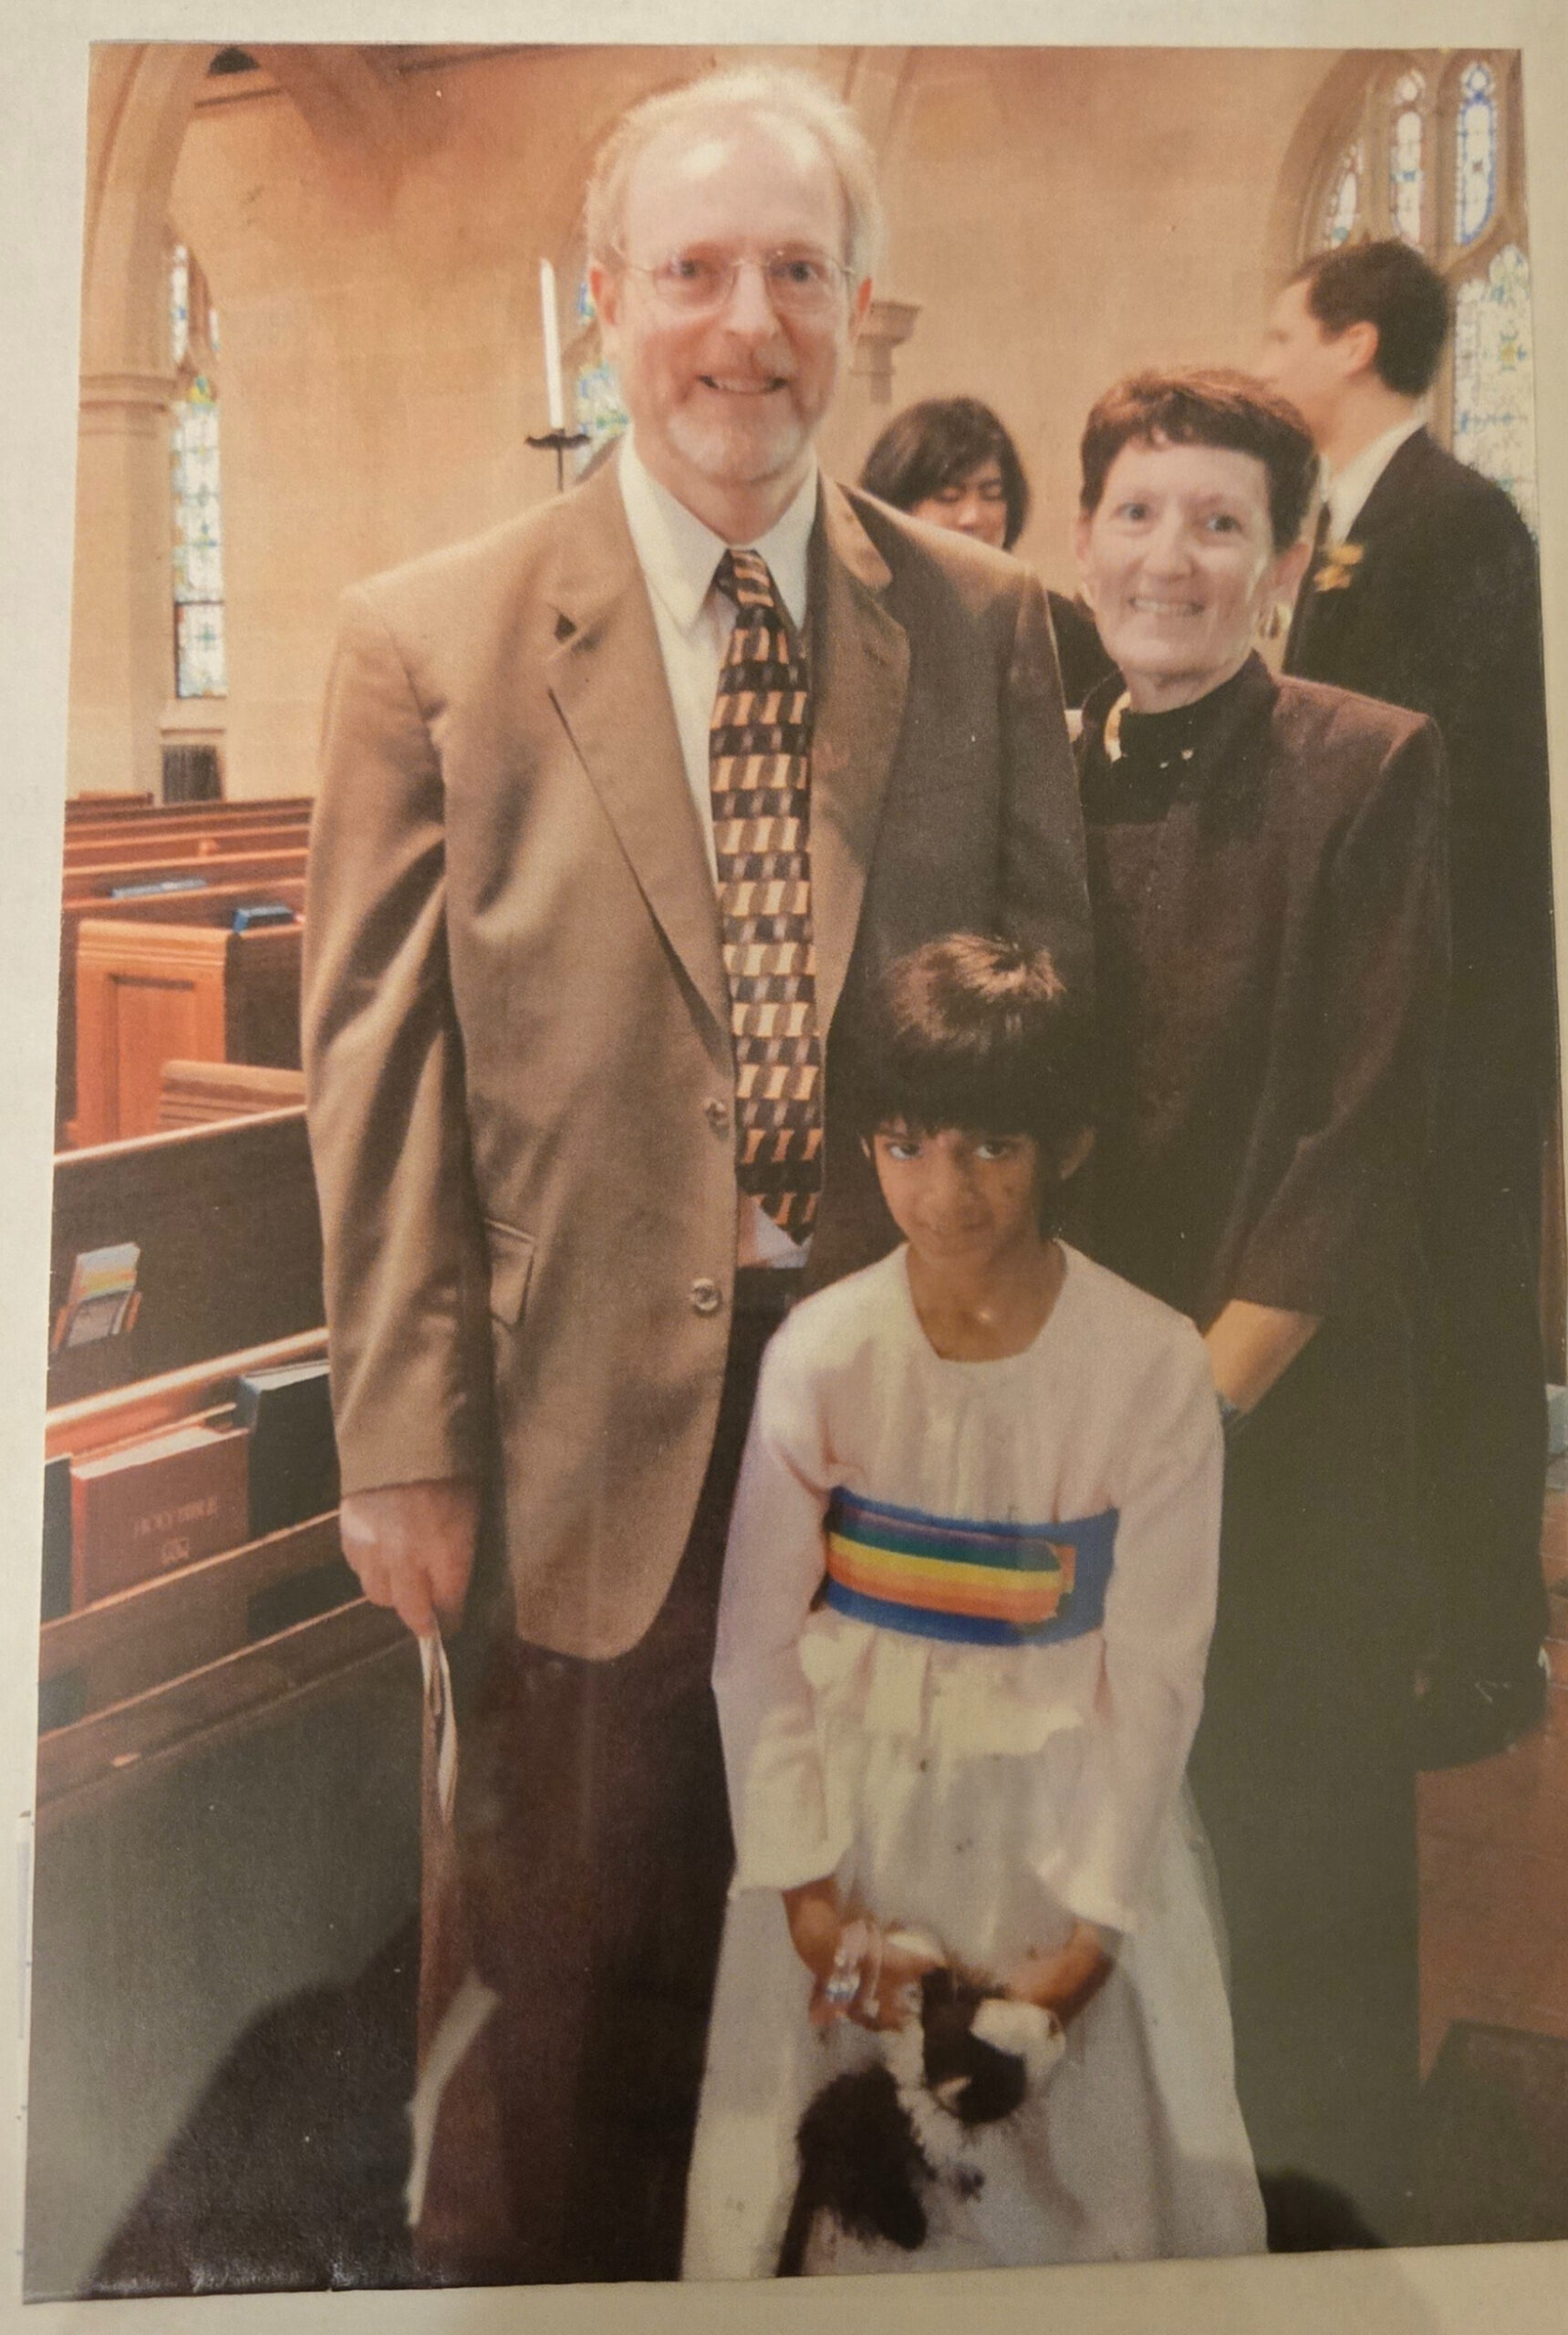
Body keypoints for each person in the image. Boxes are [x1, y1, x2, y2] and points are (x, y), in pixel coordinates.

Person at [300, 63, 1089, 2286]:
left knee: (895, 1982)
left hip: (899, 1417)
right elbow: (378, 1093)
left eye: (796, 272)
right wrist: (401, 1445)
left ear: (856, 308)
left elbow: (1053, 1039)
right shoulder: (428, 645)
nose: (746, 324)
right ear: (602, 302)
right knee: (589, 2000)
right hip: (580, 1447)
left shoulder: (979, 626)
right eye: (694, 272)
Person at [682, 935, 1266, 2277]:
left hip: (1062, 1831)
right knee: (843, 2200)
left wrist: (1079, 1951)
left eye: (990, 1149)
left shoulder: (1149, 1367)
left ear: (1065, 1142)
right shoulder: (825, 1350)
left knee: (1080, 2198)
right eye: (903, 1145)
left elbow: (1156, 1669)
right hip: (857, 1825)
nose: (942, 1193)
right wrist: (811, 1902)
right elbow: (754, 1652)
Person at [1070, 369, 1449, 2241]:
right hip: (1077, 1435)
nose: (1173, 557)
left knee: (1294, 1885)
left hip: (1272, 1430)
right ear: (1082, 543)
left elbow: (1361, 1133)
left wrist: (1189, 1411)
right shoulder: (1043, 762)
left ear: (1283, 561)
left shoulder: (1368, 763)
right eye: (1138, 512)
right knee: (1108, 1878)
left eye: (1221, 522)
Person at [1260, 237, 1557, 1768]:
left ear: (1355, 340)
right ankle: (1430, 1620)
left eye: (1284, 330)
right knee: (1413, 1321)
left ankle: (1491, 1649)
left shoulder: (1452, 521)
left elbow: (1464, 785)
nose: (1269, 353)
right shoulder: (1348, 525)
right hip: (1402, 1000)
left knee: (1467, 1320)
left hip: (1465, 1009)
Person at [860, 395, 1113, 708]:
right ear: (896, 508)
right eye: (949, 497)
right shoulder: (861, 626)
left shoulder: (1063, 628)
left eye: (992, 495)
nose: (973, 517)